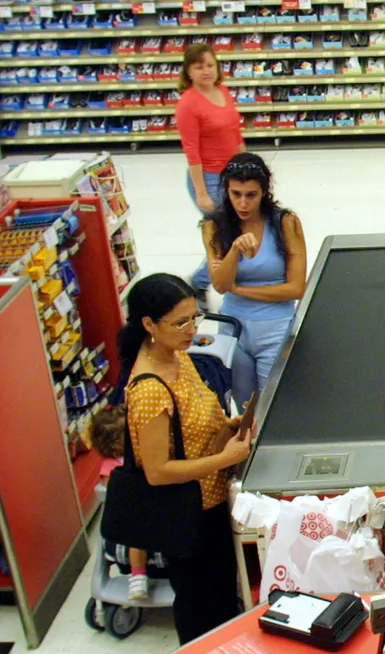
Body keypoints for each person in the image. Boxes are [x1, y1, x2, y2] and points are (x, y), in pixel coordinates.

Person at [117, 273, 253, 644]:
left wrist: (229, 424)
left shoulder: (180, 357)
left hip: (212, 502)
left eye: (195, 318)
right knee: (201, 608)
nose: (192, 329)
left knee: (225, 600)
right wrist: (224, 457)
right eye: (180, 322)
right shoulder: (148, 390)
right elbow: (158, 472)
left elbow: (196, 423)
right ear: (149, 324)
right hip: (187, 517)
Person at [203, 152, 307, 407]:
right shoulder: (214, 227)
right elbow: (219, 285)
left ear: (264, 192)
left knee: (274, 403)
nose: (243, 204)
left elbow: (295, 288)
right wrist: (235, 250)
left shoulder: (285, 223)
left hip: (276, 328)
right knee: (243, 403)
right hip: (233, 328)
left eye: (251, 195)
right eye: (235, 194)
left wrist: (239, 289)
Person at [176, 42, 246, 302]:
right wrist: (202, 193)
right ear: (188, 71)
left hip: (232, 174)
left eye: (210, 65)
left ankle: (213, 277)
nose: (206, 71)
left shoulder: (223, 91)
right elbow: (191, 151)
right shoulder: (188, 104)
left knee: (234, 230)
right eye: (199, 66)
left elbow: (235, 132)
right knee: (226, 234)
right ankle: (201, 282)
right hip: (209, 178)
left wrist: (247, 166)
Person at [89, 405, 150, 602]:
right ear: (115, 444)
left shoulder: (139, 455)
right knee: (137, 538)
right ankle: (138, 576)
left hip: (149, 508)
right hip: (129, 517)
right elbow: (113, 491)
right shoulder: (111, 466)